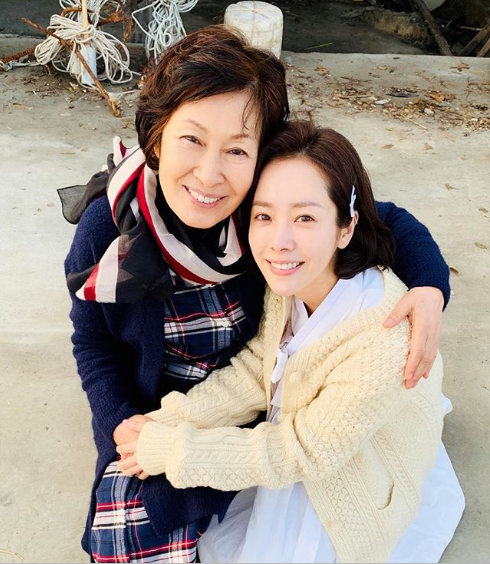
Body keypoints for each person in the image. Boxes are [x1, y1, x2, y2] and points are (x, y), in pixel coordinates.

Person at [60, 25, 451, 563]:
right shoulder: (110, 228)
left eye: (237, 149)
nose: (209, 175)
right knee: (126, 540)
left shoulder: (260, 205)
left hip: (255, 410)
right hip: (165, 406)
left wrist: (429, 287)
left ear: (259, 153)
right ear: (156, 136)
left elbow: (379, 218)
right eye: (192, 139)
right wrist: (120, 425)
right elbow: (93, 345)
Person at [117, 121, 465, 563]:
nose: (279, 242)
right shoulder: (294, 283)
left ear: (346, 228)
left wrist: (173, 450)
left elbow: (300, 451)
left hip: (338, 478)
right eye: (264, 216)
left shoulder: (384, 339)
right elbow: (255, 369)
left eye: (305, 218)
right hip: (309, 440)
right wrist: (168, 419)